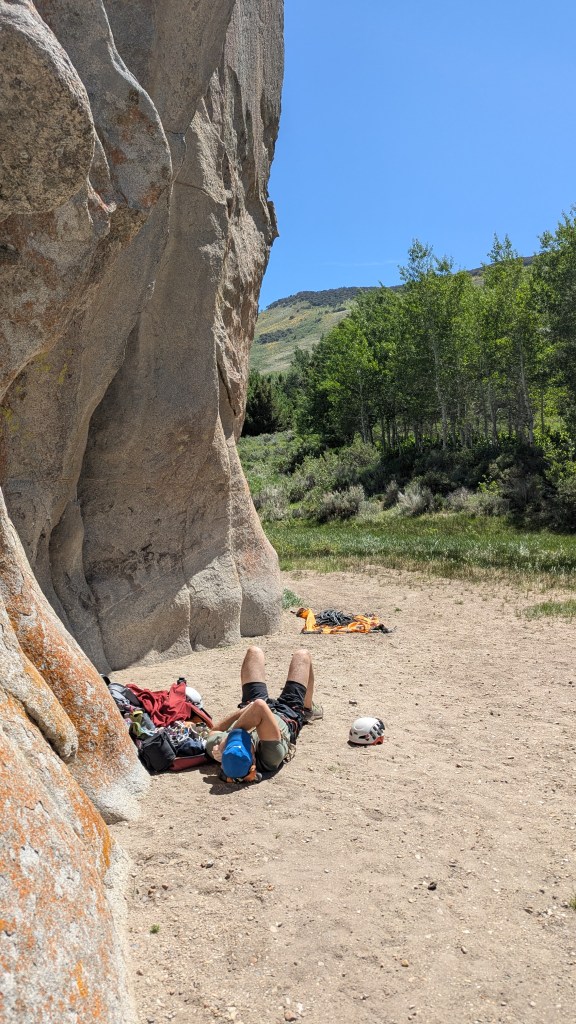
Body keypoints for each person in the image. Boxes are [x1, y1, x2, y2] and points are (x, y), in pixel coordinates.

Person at [205, 646, 322, 782]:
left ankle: (305, 708)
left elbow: (215, 730)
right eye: (243, 740)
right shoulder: (270, 758)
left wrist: (244, 712)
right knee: (302, 656)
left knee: (253, 652)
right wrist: (231, 736)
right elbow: (260, 706)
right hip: (286, 712)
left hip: (252, 711)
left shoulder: (219, 750)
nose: (240, 737)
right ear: (253, 760)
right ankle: (308, 709)